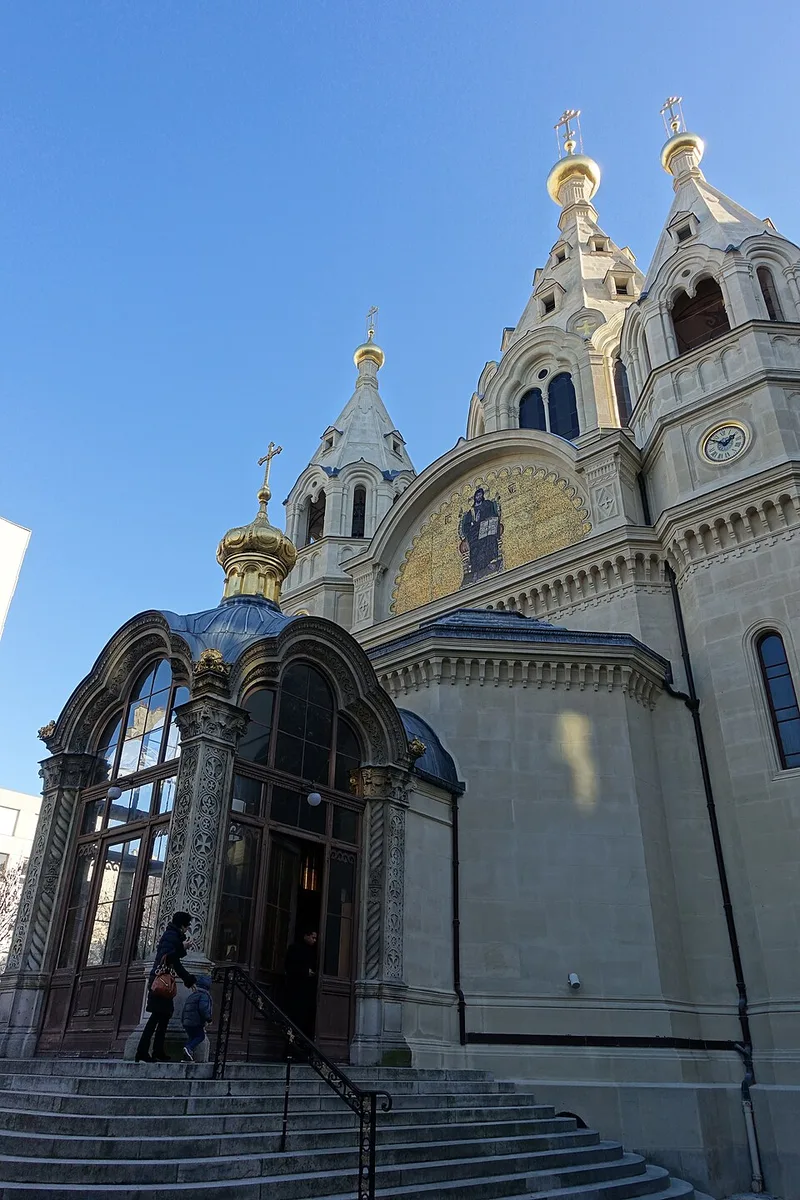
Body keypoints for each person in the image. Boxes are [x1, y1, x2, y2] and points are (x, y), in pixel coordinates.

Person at [135, 910, 197, 1063]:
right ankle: (142, 1051)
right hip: (161, 982)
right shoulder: (171, 936)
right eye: (187, 925)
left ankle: (157, 1051)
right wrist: (189, 979)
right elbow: (171, 959)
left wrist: (182, 948)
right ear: (182, 925)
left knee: (163, 1017)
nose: (187, 928)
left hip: (162, 982)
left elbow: (172, 956)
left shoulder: (172, 936)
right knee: (156, 1018)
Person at [458, 487, 503, 585]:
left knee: (490, 538)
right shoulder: (471, 512)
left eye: (480, 495)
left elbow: (494, 514)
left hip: (486, 529)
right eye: (477, 495)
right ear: (474, 497)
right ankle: (476, 570)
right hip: (474, 533)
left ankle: (490, 562)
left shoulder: (487, 505)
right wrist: (474, 522)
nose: (479, 497)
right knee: (475, 545)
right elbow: (465, 528)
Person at [282, 930, 318, 1040]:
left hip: (308, 991)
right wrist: (305, 972)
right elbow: (289, 967)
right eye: (312, 937)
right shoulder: (295, 949)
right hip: (295, 989)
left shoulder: (313, 952)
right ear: (306, 935)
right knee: (295, 1018)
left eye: (315, 938)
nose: (314, 940)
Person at [181, 974, 213, 1062]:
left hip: (187, 1022)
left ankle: (187, 1055)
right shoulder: (204, 995)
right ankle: (188, 1048)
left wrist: (183, 1021)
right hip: (196, 1021)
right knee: (200, 1036)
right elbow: (203, 1008)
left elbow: (184, 1009)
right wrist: (208, 1019)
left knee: (191, 1037)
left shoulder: (193, 995)